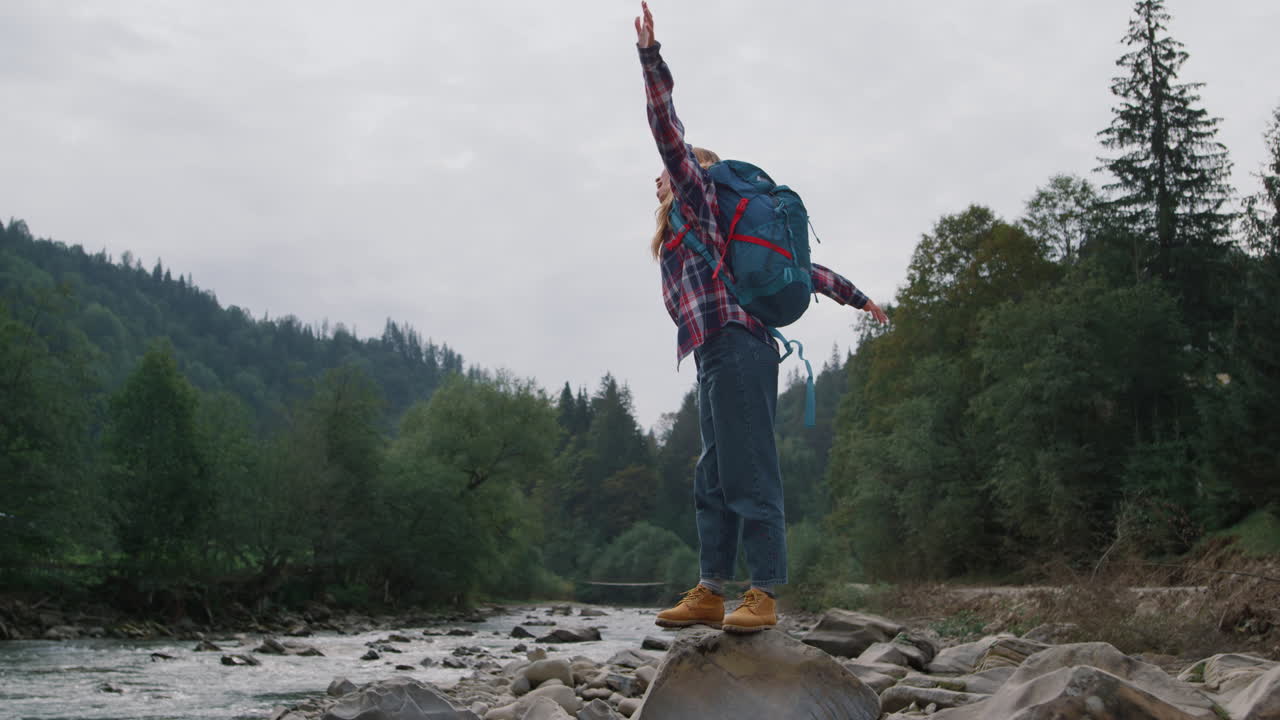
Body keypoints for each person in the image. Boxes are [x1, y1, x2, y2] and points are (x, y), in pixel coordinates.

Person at [635, 2, 889, 634]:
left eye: (672, 174)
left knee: (751, 468)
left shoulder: (700, 202)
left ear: (695, 173)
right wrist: (859, 298)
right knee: (713, 474)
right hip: (715, 352)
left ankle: (765, 593)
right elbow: (813, 277)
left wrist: (650, 57)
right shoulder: (684, 230)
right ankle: (711, 591)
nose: (660, 182)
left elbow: (667, 129)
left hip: (740, 347)